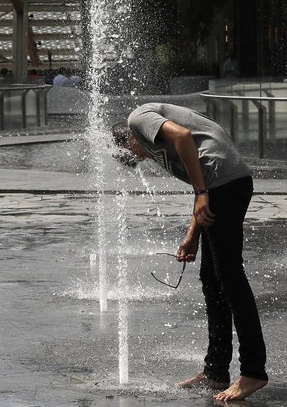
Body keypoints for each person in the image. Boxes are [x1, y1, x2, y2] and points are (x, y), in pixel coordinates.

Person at [112, 103, 268, 402]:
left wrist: (200, 193)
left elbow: (183, 136)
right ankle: (216, 371)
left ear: (127, 137)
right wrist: (192, 236)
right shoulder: (153, 140)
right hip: (222, 185)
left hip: (225, 184)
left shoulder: (137, 120)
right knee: (213, 281)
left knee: (230, 279)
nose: (137, 157)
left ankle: (253, 371)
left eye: (131, 151)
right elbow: (203, 182)